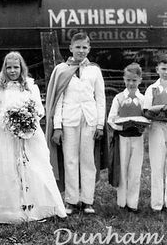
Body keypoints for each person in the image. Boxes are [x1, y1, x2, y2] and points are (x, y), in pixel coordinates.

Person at [0, 52, 66, 223]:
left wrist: (28, 121)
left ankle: (37, 208)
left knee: (34, 167)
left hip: (29, 135)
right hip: (5, 135)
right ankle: (8, 211)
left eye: (16, 67)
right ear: (4, 68)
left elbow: (40, 109)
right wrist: (10, 123)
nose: (12, 71)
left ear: (21, 68)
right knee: (6, 169)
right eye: (9, 67)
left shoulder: (30, 86)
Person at [47, 32, 106, 215]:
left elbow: (100, 98)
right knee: (70, 159)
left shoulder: (94, 70)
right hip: (68, 119)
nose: (81, 50)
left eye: (84, 47)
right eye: (78, 47)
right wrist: (57, 126)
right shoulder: (62, 69)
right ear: (71, 48)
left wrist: (99, 125)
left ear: (89, 49)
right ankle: (71, 200)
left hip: (89, 119)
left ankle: (87, 200)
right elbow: (58, 100)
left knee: (87, 160)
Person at [108, 63, 149, 213]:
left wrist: (143, 125)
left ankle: (133, 203)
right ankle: (121, 201)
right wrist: (121, 126)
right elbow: (111, 118)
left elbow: (148, 117)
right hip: (122, 138)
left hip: (137, 138)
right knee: (122, 168)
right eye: (128, 80)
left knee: (135, 170)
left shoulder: (144, 99)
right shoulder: (119, 98)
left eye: (134, 80)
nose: (131, 83)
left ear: (140, 80)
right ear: (124, 79)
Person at [143, 54, 167, 212]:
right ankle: (157, 204)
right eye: (164, 69)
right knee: (157, 165)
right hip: (157, 126)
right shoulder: (151, 89)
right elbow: (145, 111)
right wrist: (158, 110)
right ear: (157, 69)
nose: (166, 72)